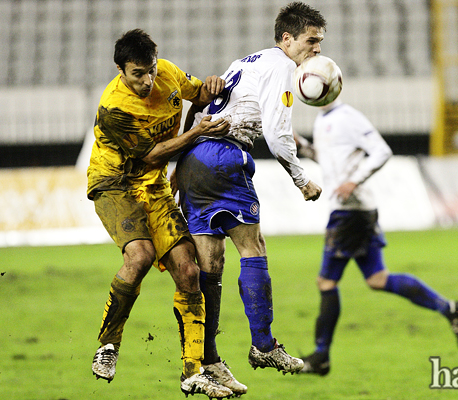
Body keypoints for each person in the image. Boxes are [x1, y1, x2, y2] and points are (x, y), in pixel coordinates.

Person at [172, 2, 326, 395]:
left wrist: (178, 165)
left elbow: (216, 106)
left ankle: (207, 359)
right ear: (287, 39)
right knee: (252, 247)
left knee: (211, 263)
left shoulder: (245, 62)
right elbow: (275, 133)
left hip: (195, 161)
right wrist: (301, 179)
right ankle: (264, 345)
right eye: (312, 42)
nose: (317, 51)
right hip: (225, 158)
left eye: (320, 43)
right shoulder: (281, 67)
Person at [87, 29, 234, 398]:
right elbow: (152, 154)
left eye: (150, 70)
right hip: (115, 182)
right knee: (140, 254)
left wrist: (212, 86)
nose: (147, 80)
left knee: (189, 271)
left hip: (154, 187)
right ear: (120, 69)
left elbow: (198, 93)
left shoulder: (167, 72)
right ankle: (108, 345)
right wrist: (197, 133)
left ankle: (193, 371)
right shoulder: (114, 108)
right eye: (138, 73)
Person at [295, 99, 458, 376]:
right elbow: (331, 161)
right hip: (359, 210)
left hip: (349, 211)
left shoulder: (347, 117)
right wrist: (303, 146)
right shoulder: (325, 118)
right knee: (378, 279)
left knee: (326, 282)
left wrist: (355, 180)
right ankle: (450, 309)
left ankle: (321, 356)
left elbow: (381, 151)